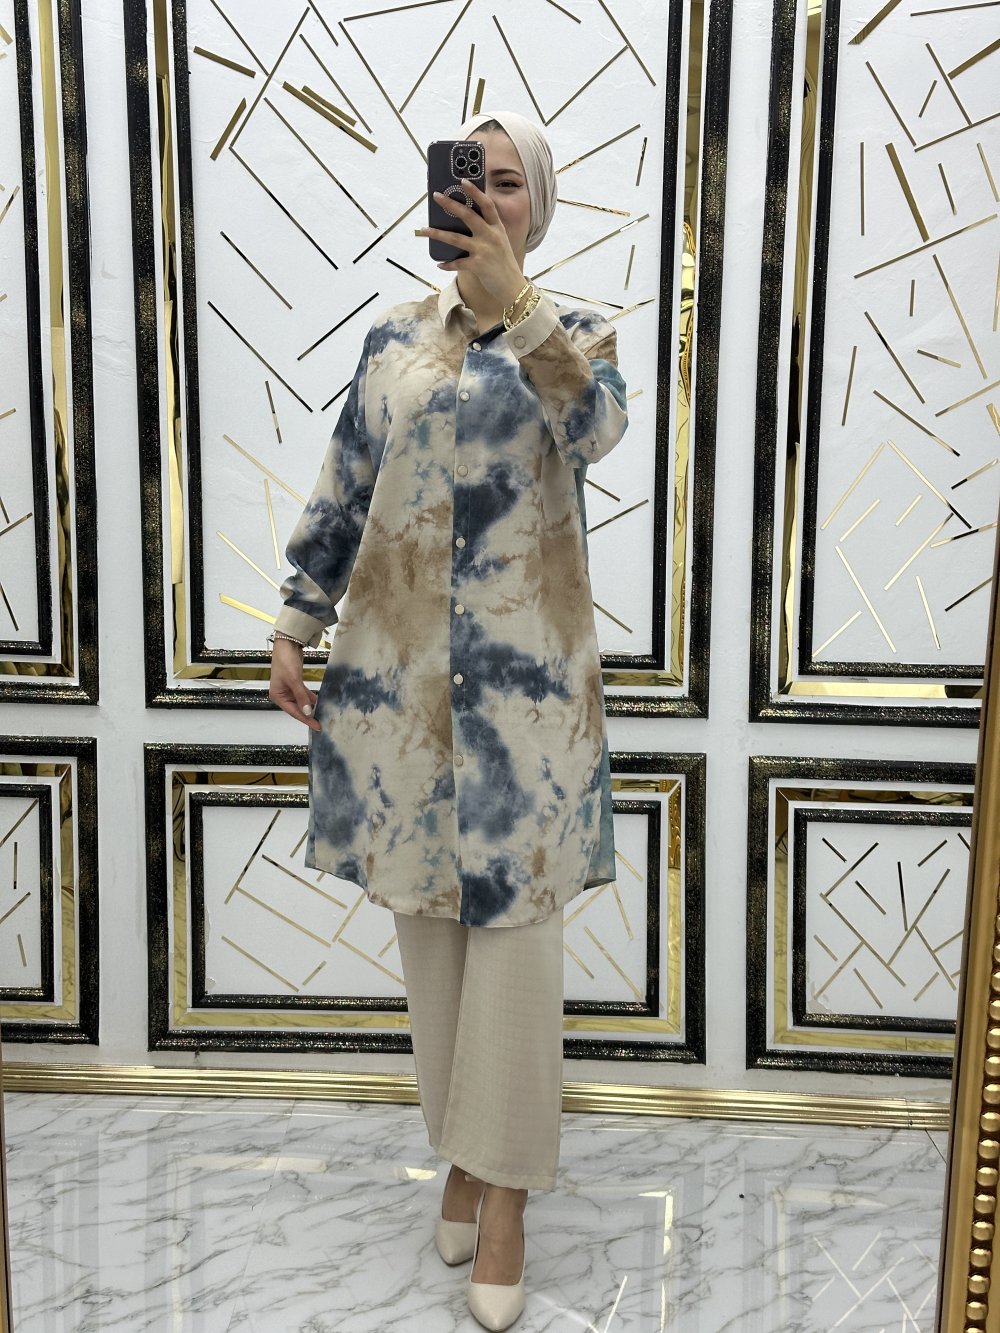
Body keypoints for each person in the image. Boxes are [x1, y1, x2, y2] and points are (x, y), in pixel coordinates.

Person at [269, 108, 628, 1331]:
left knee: (515, 954)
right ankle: (463, 1158)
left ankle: (505, 1193)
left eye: (510, 182)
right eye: (473, 178)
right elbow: (344, 484)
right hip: (400, 697)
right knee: (430, 943)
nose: (488, 198)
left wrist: (517, 307)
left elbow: (596, 429)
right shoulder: (390, 341)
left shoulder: (577, 335)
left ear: (539, 205)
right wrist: (294, 619)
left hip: (528, 715)